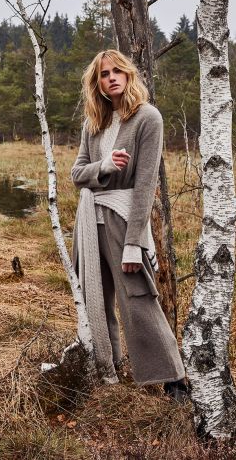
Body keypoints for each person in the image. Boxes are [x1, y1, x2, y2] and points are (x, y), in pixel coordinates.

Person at [71, 49, 187, 399]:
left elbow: (146, 185)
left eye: (117, 71)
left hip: (123, 220)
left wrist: (135, 241)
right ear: (97, 83)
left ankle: (173, 379)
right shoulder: (94, 124)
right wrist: (104, 166)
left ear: (128, 74)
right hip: (89, 221)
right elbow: (77, 174)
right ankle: (107, 370)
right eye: (104, 74)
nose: (111, 78)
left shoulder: (147, 118)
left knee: (138, 298)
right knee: (95, 300)